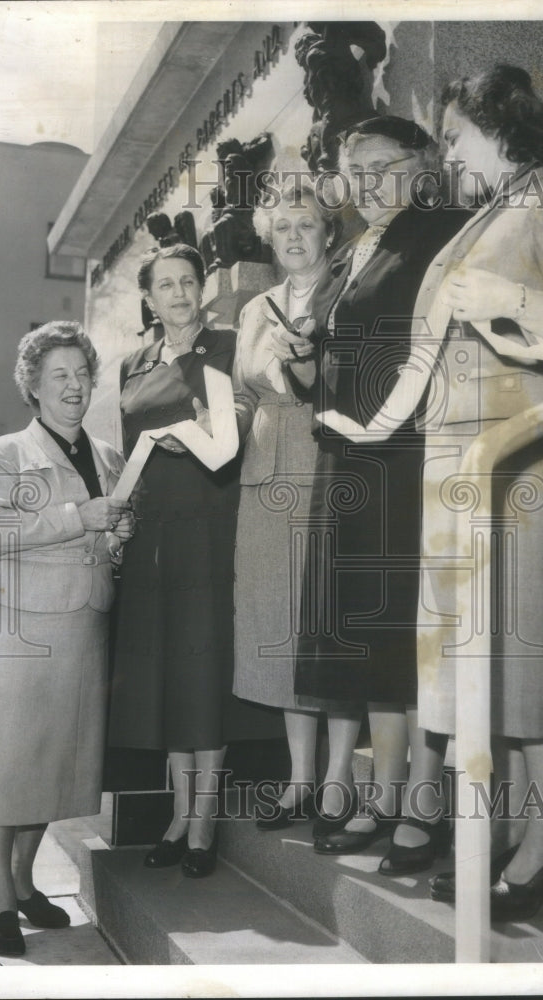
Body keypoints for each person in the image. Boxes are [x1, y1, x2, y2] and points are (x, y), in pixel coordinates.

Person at [413, 64, 543, 918]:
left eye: (457, 136)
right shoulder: (480, 217)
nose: (449, 154)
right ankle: (492, 828)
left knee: (526, 654)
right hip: (457, 458)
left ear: (501, 126)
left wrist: (508, 296)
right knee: (473, 661)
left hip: (522, 452)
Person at [295, 116, 472, 871]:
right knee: (368, 636)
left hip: (407, 457)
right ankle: (383, 791)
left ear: (424, 163)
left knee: (409, 635)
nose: (364, 184)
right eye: (353, 170)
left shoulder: (443, 232)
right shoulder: (354, 249)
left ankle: (426, 801)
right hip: (351, 462)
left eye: (381, 166)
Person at [0, 322, 132, 957]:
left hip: (85, 622)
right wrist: (76, 517)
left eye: (82, 374)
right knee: (7, 762)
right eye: (59, 375)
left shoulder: (110, 456)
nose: (74, 386)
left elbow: (106, 535)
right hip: (22, 626)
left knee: (56, 762)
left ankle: (25, 883)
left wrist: (115, 535)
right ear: (33, 386)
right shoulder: (3, 454)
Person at [108, 243, 271, 878]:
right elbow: (130, 454)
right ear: (147, 298)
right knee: (169, 674)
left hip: (213, 523)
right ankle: (178, 814)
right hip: (154, 535)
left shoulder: (231, 346)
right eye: (164, 285)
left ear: (202, 288)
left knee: (204, 670)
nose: (177, 294)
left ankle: (202, 824)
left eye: (187, 282)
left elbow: (250, 416)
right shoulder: (133, 363)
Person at [232, 178, 362, 828]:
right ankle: (299, 778)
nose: (292, 236)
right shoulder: (255, 309)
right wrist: (217, 425)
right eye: (281, 226)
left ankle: (340, 776)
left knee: (327, 625)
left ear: (328, 232)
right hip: (263, 480)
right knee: (280, 627)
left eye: (305, 224)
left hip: (324, 469)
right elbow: (243, 394)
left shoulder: (349, 292)